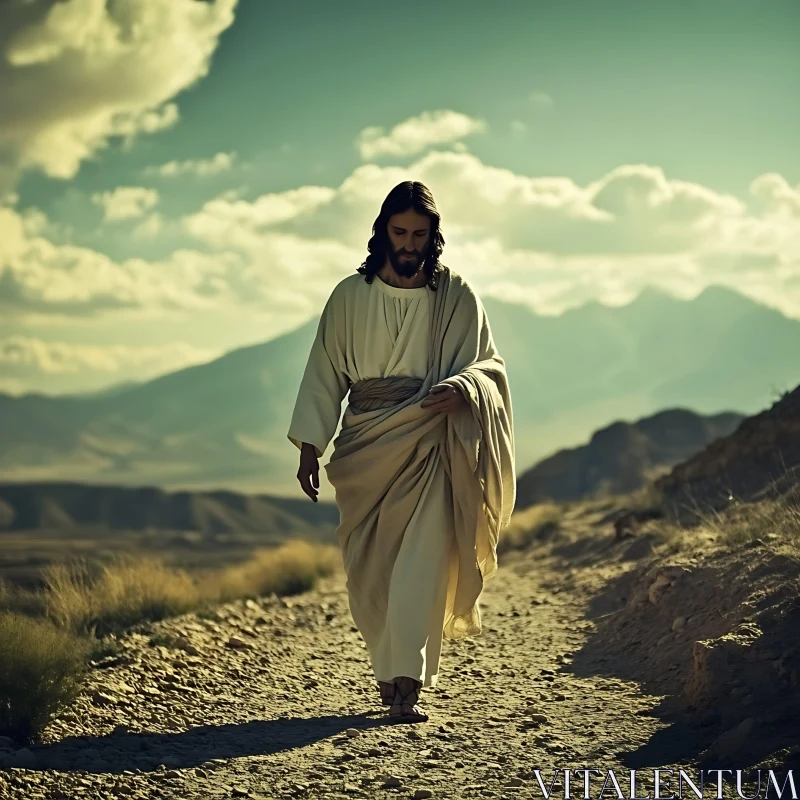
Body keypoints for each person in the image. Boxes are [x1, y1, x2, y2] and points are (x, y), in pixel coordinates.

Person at [287, 180, 516, 723]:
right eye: (400, 232)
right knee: (373, 573)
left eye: (420, 233)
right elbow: (325, 373)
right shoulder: (349, 296)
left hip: (433, 444)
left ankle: (408, 682)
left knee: (422, 563)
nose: (410, 242)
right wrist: (310, 447)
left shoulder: (455, 295)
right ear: (382, 232)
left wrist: (464, 388)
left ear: (433, 235)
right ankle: (385, 670)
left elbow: (489, 364)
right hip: (366, 449)